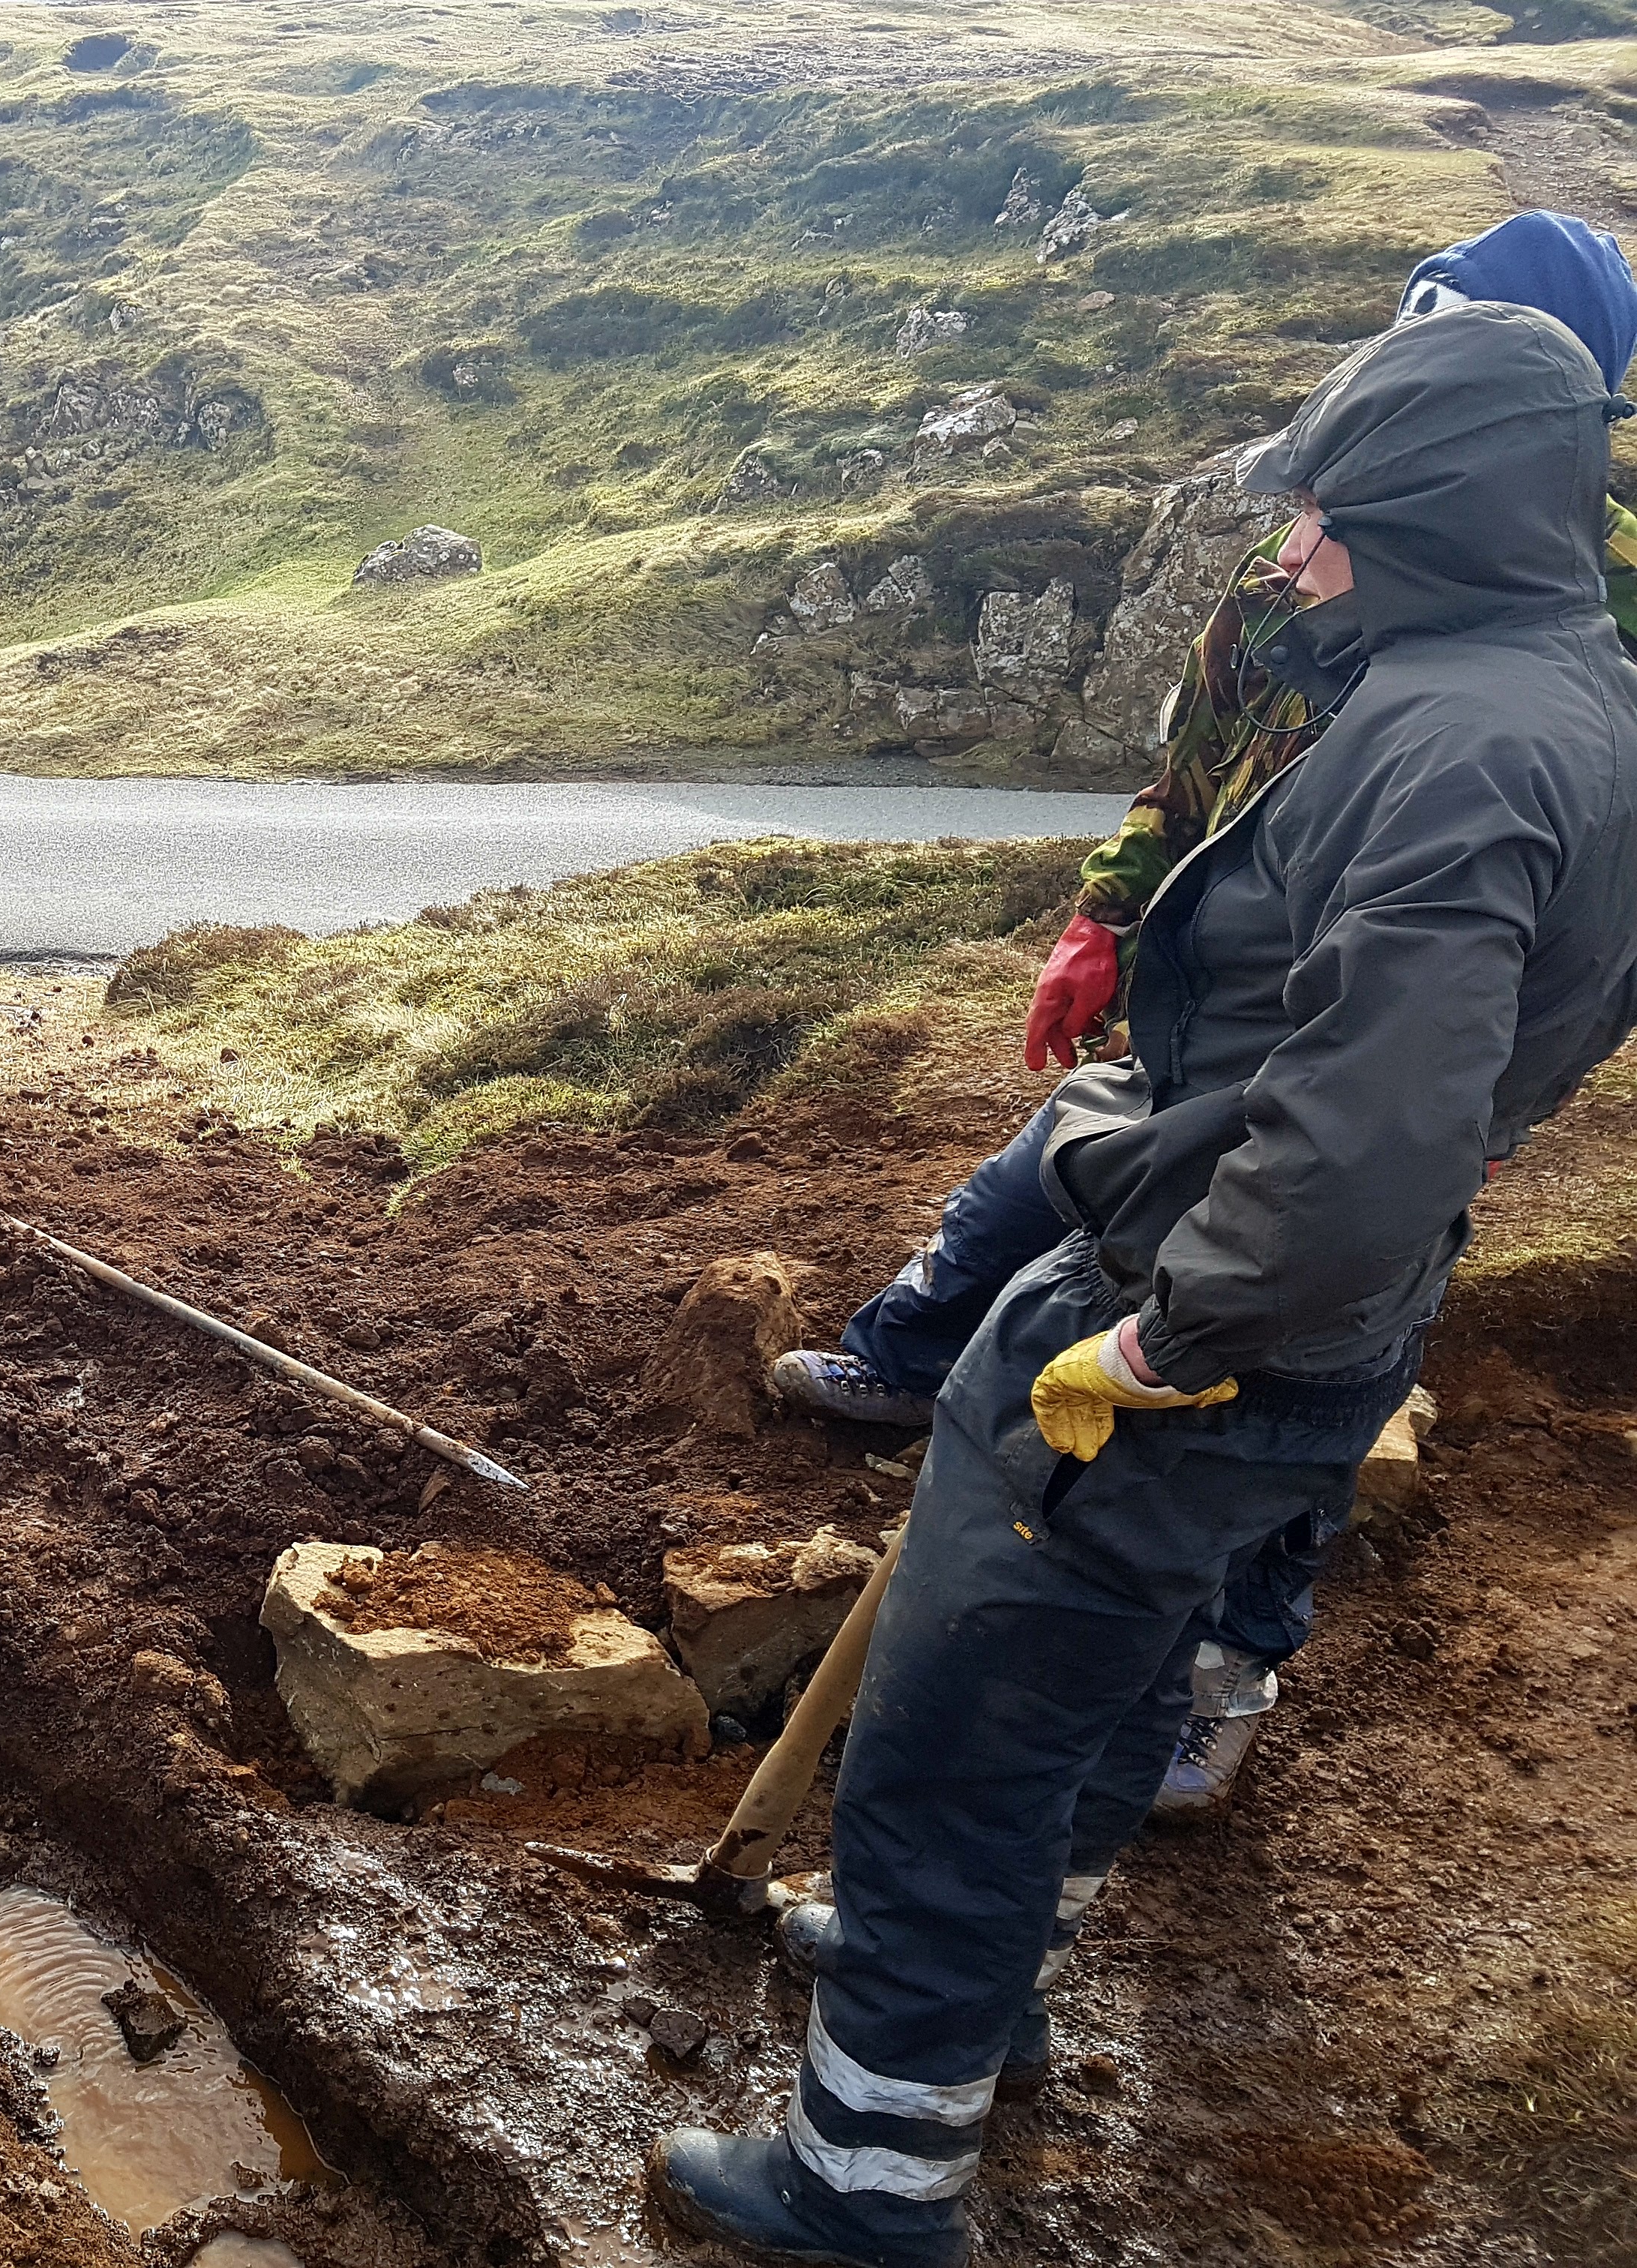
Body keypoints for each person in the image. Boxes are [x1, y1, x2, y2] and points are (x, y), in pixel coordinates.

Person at [651, 301, 1637, 2268]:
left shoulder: (1449, 750)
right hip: (1315, 1322)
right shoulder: (1564, 691)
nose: (1292, 553)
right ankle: (992, 1990)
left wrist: (1157, 1341)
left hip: (1203, 1306)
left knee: (961, 1726)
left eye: (1325, 516)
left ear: (1433, 515)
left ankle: (864, 2181)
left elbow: (1363, 1144)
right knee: (1109, 1667)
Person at [768, 208, 1637, 1814]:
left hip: (1394, 1046)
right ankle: (909, 1356)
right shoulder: (1299, 544)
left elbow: (1592, 900)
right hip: (1219, 982)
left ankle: (1228, 1667)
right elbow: (1201, 756)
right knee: (1055, 1171)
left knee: (1305, 1340)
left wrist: (1479, 1109)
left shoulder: (1591, 610)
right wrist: (1108, 913)